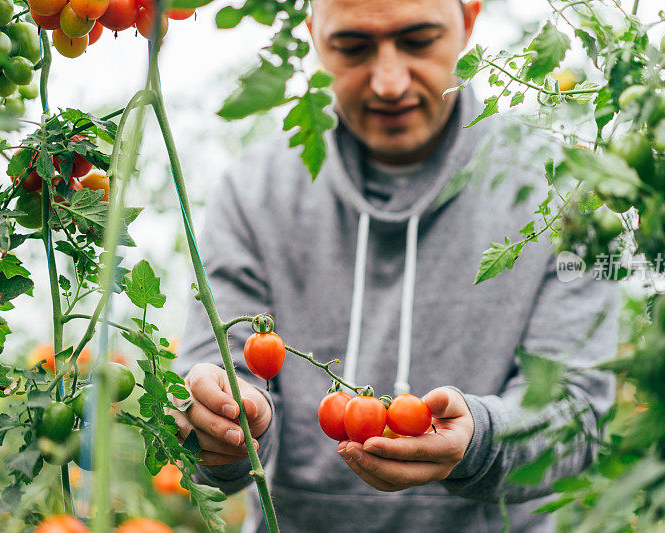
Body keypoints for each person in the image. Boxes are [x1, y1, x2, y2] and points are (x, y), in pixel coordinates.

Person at [171, 0, 619, 531]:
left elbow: (577, 415)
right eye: (353, 47)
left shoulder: (561, 189)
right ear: (315, 37)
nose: (387, 82)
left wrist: (478, 439)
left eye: (418, 40)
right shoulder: (252, 192)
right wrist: (222, 424)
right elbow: (219, 381)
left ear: (469, 22)